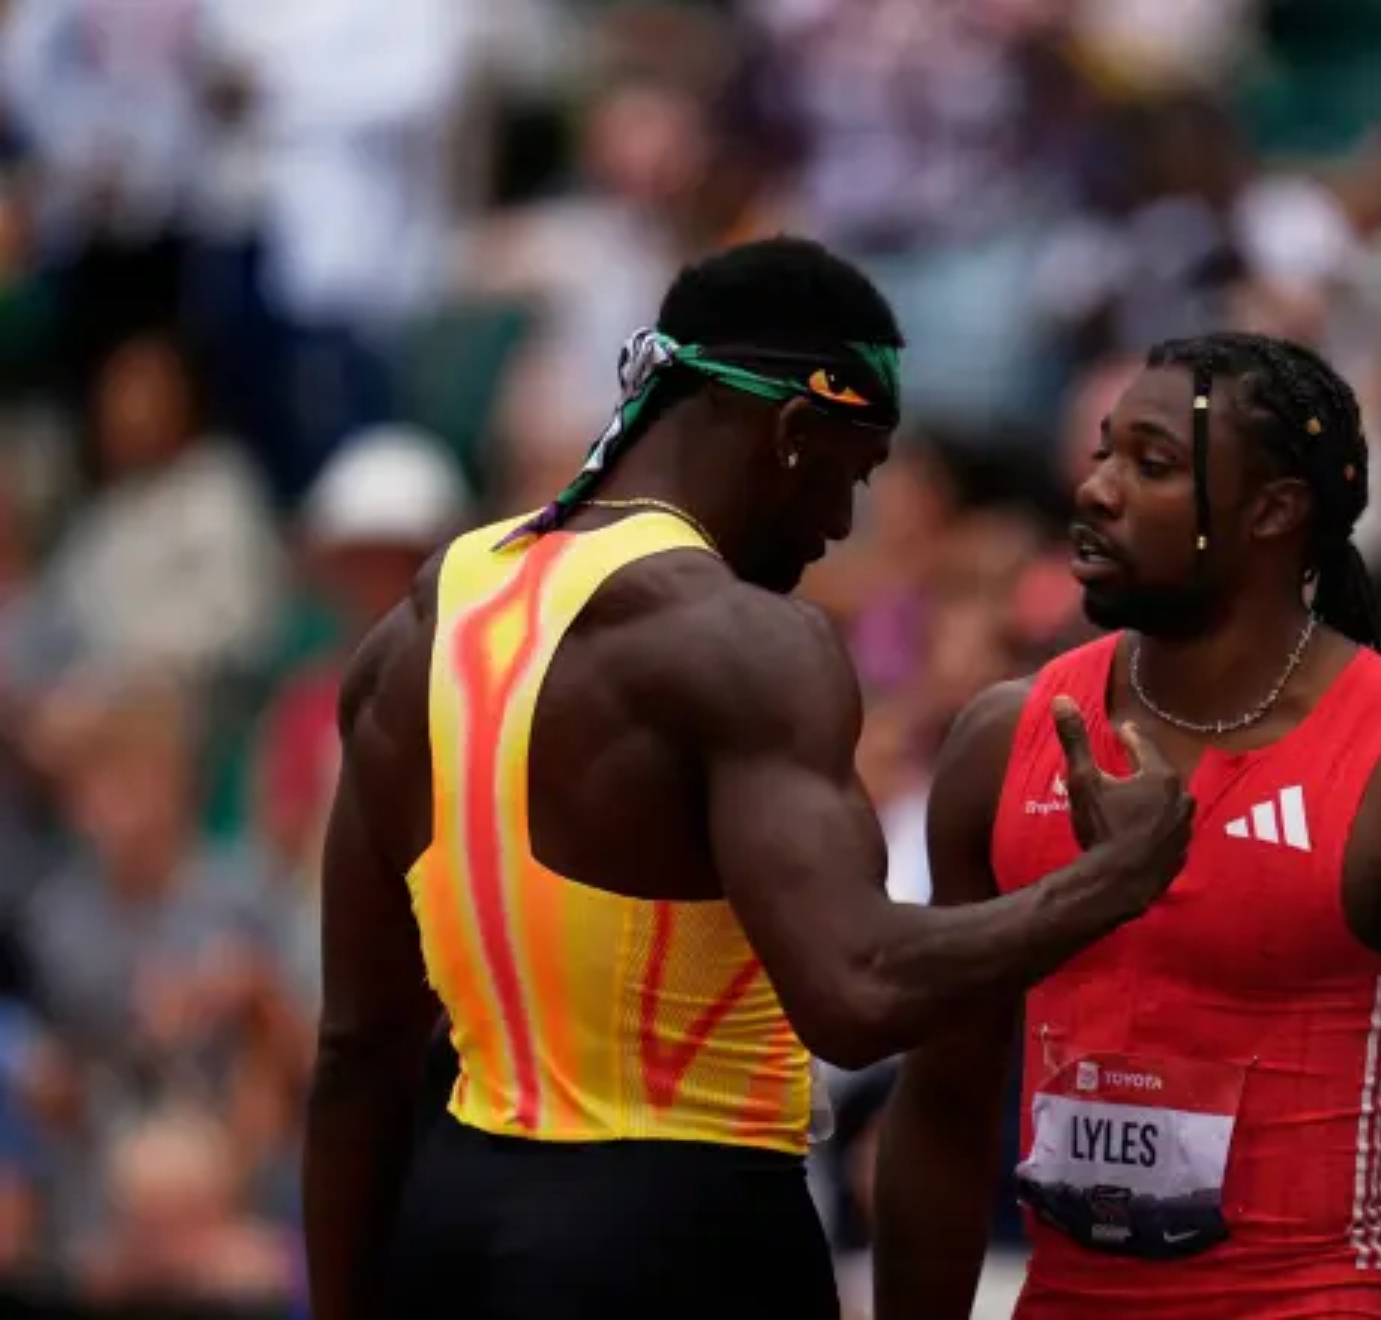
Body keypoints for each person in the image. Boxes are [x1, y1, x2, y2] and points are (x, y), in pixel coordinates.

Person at [303, 237, 1198, 1320]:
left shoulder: (415, 634)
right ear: (790, 434)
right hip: (676, 1234)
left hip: (447, 1221)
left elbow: (359, 1049)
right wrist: (1108, 881)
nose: (835, 530)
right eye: (852, 478)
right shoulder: (746, 643)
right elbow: (857, 991)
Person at [874, 332, 1381, 1319]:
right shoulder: (1005, 743)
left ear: (1274, 510)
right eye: (1102, 454)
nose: (1096, 492)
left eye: (1153, 466)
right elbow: (944, 1111)